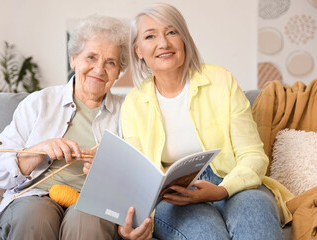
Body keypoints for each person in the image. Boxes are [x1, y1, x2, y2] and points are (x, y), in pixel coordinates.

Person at [121, 3, 285, 240]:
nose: (164, 43)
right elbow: (138, 175)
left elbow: (253, 155)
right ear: (138, 50)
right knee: (207, 235)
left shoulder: (221, 80)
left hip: (233, 181)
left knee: (257, 224)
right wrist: (128, 224)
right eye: (150, 36)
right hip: (174, 195)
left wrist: (222, 190)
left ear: (184, 38)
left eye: (171, 32)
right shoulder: (133, 104)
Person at [0, 15, 151, 240]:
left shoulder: (129, 111)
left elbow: (139, 180)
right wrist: (40, 149)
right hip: (36, 196)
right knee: (34, 218)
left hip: (93, 202)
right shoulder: (39, 103)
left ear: (119, 71)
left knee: (87, 221)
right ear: (73, 59)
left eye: (110, 62)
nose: (99, 69)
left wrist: (108, 175)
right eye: (91, 57)